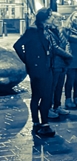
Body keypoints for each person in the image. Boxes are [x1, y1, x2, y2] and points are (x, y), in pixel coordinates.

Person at [13, 8, 56, 138]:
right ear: (44, 18)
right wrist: (28, 60)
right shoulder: (33, 30)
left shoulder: (46, 30)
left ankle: (42, 122)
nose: (52, 18)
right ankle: (40, 123)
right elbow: (17, 45)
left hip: (47, 66)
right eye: (50, 16)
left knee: (46, 95)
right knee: (39, 95)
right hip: (37, 68)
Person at [47, 13, 73, 119]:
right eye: (56, 18)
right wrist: (68, 55)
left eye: (60, 18)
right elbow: (54, 47)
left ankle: (57, 106)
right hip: (55, 63)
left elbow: (66, 43)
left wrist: (67, 53)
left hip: (62, 63)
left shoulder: (58, 30)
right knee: (52, 87)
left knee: (59, 87)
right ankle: (48, 108)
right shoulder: (48, 31)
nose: (59, 20)